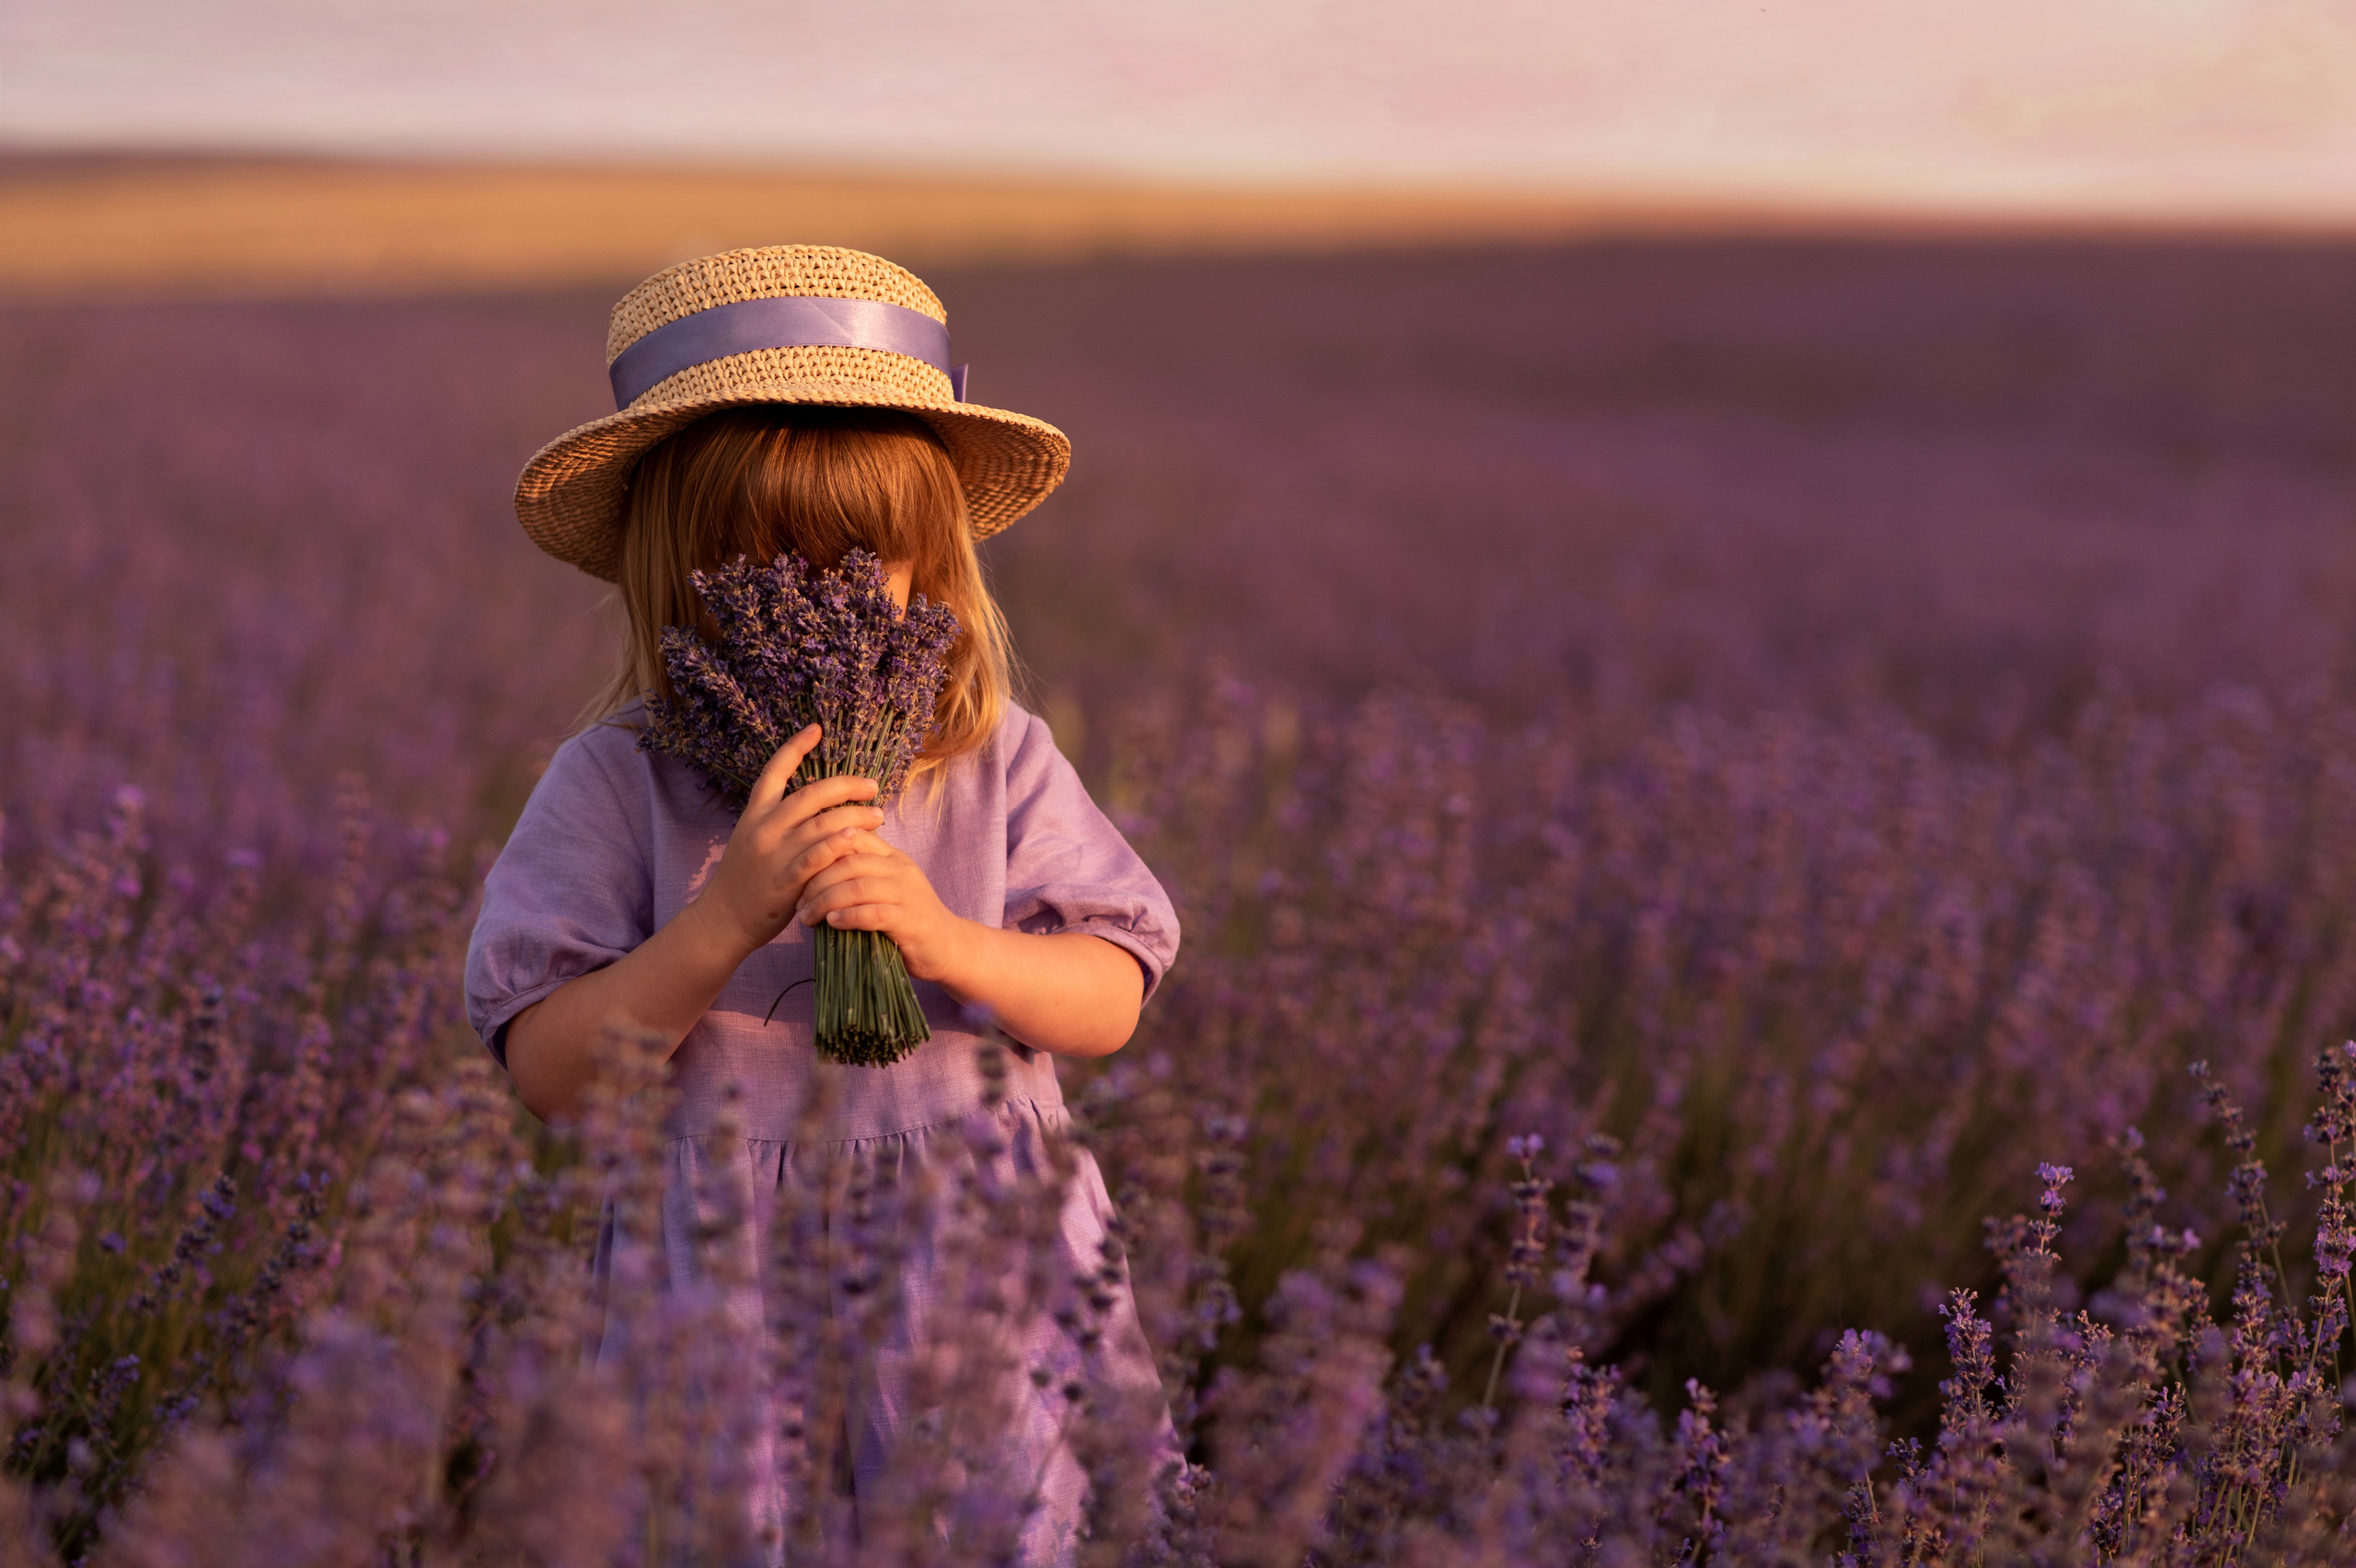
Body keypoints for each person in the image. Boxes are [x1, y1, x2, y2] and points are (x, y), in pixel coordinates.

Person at [464, 245, 1179, 1562]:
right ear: (677, 569)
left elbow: (1111, 994)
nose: (827, 602)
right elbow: (553, 1072)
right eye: (767, 567)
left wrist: (949, 942)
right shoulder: (619, 779)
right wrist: (720, 922)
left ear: (934, 563)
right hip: (723, 1289)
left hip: (977, 1275)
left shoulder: (989, 758)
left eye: (869, 561)